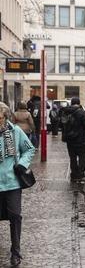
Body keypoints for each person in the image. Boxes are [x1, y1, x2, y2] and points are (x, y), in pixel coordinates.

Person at [0, 101, 36, 266]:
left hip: (12, 183)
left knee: (15, 216)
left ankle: (16, 252)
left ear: (4, 116)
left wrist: (22, 163)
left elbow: (29, 148)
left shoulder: (15, 132)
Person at [61, 97, 85, 183]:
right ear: (79, 103)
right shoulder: (81, 112)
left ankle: (74, 175)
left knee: (72, 158)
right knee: (82, 157)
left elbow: (61, 125)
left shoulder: (65, 111)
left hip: (69, 140)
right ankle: (81, 175)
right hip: (80, 139)